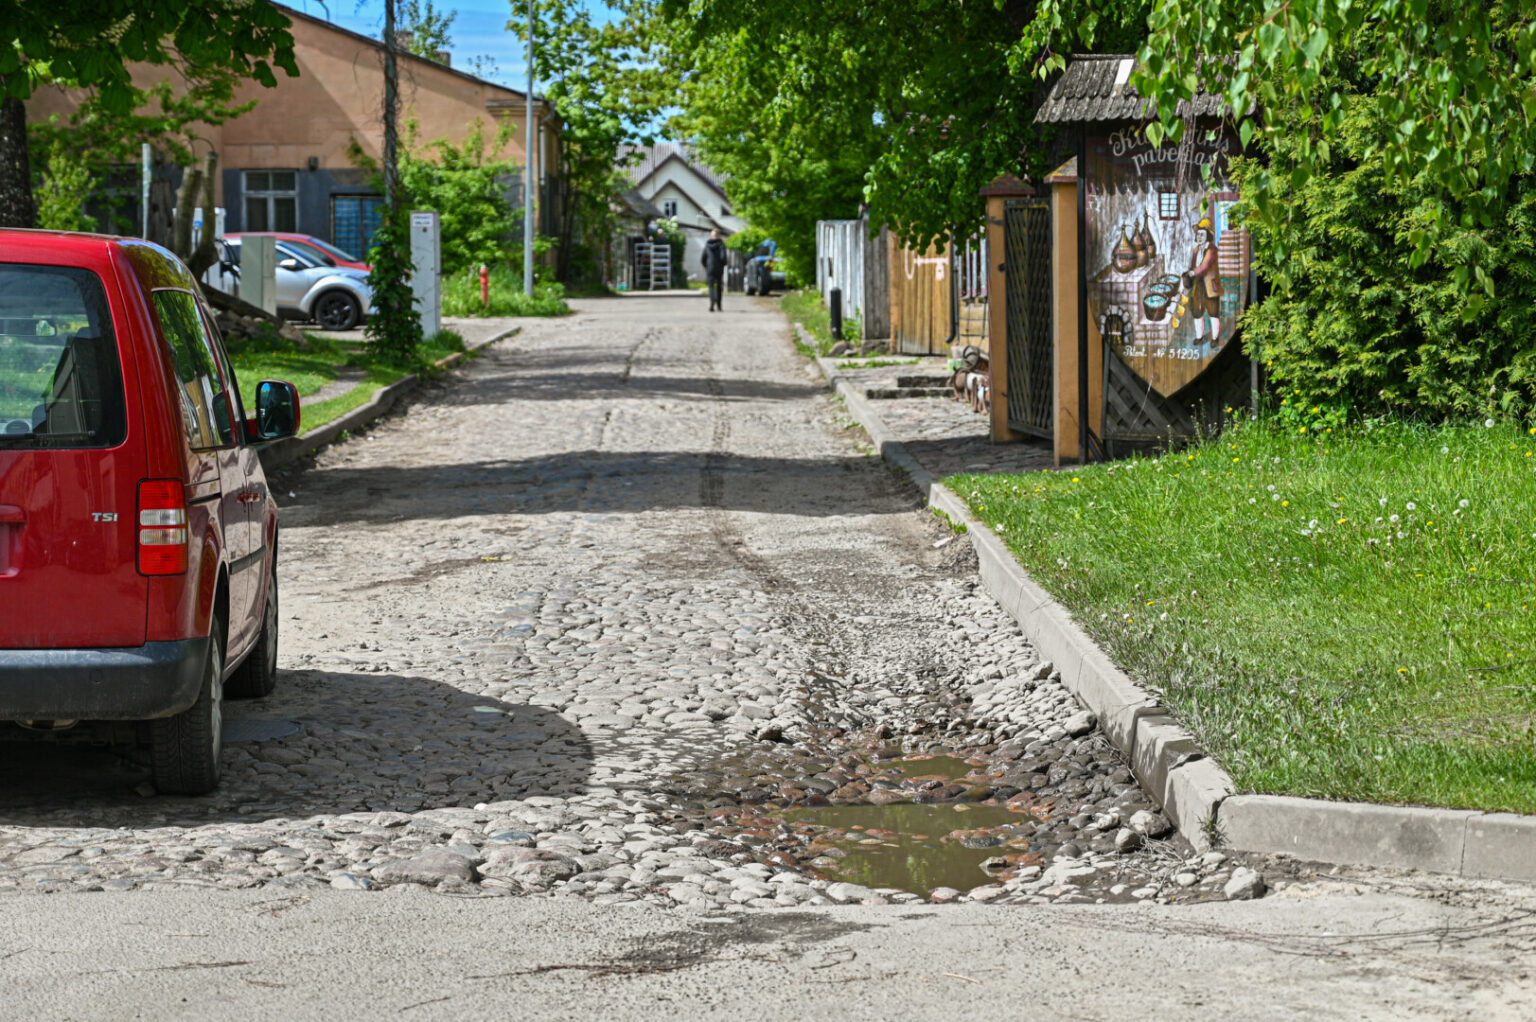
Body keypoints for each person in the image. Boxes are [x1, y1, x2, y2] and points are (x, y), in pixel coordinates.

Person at [1181, 216, 1223, 345]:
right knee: (1197, 311)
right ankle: (1199, 337)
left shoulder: (1212, 250)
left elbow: (1204, 266)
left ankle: (1215, 338)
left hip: (1210, 285)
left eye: (1202, 234)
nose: (1199, 237)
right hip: (1198, 284)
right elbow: (1194, 265)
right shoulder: (1196, 250)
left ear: (1208, 236)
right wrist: (1189, 272)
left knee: (1213, 312)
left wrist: (1192, 272)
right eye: (1198, 234)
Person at [701, 228, 727, 311]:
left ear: (711, 236)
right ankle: (719, 306)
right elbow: (723, 257)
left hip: (710, 267)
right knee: (719, 286)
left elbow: (703, 258)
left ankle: (712, 300)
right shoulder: (721, 244)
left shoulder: (707, 245)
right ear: (719, 236)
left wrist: (705, 265)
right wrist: (723, 264)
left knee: (711, 286)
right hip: (719, 268)